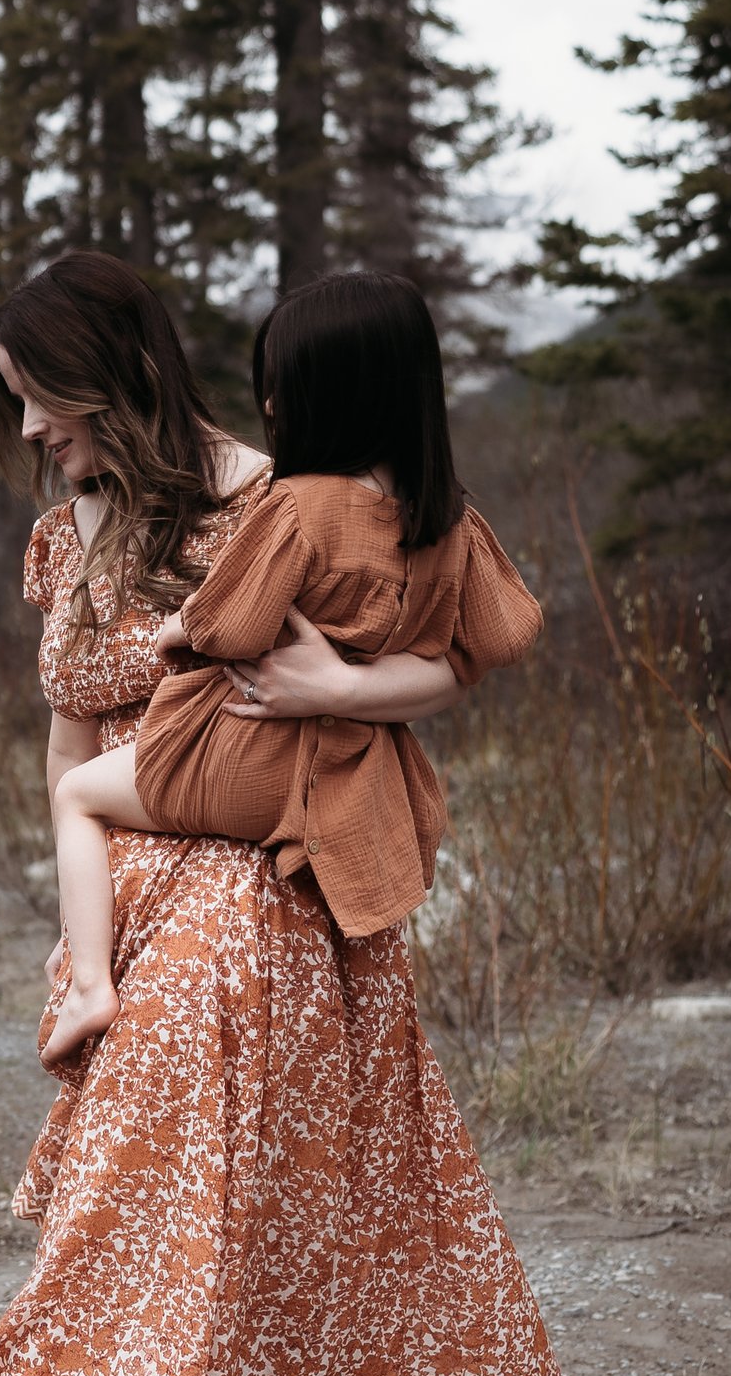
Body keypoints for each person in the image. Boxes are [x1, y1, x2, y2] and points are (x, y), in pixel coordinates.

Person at [0, 249, 601, 1376]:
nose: (30, 431)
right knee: (326, 1219)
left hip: (262, 876)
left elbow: (404, 672)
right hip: (139, 877)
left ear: (111, 373)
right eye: (12, 405)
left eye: (40, 399)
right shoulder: (67, 535)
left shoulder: (274, 493)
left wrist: (346, 683)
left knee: (163, 1187)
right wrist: (83, 938)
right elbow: (68, 734)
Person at [41, 270, 542, 1070]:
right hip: (350, 767)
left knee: (77, 794)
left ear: (331, 395)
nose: (269, 407)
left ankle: (90, 983)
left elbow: (233, 622)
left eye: (280, 387)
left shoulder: (299, 507)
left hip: (245, 752)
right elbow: (506, 637)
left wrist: (179, 633)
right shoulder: (454, 525)